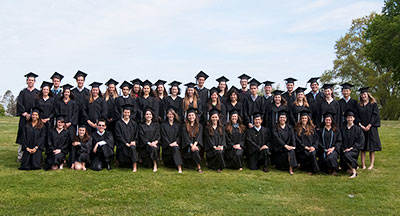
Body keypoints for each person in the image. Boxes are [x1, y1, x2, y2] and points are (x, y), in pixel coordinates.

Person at [16, 72, 40, 162]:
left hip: (34, 118)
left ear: (35, 81)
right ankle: (20, 156)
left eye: (32, 80)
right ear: (27, 81)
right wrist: (25, 114)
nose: (30, 82)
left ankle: (32, 155)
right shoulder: (22, 92)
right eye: (29, 80)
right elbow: (19, 104)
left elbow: (38, 105)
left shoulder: (37, 93)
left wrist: (33, 114)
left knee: (34, 135)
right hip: (24, 118)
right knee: (22, 135)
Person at [357, 87, 381, 170]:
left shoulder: (373, 104)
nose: (363, 96)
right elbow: (357, 116)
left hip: (371, 128)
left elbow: (375, 115)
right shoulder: (359, 105)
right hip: (362, 128)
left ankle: (371, 164)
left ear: (368, 95)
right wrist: (361, 126)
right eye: (362, 94)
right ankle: (363, 164)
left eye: (365, 94)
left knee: (371, 147)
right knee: (362, 147)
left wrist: (369, 125)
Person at [114, 104, 139, 172]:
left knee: (133, 148)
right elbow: (118, 135)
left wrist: (134, 141)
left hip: (131, 144)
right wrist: (125, 143)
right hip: (122, 145)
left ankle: (134, 165)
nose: (126, 114)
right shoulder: (118, 123)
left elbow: (136, 134)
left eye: (128, 112)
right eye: (125, 112)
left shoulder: (134, 123)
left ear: (130, 113)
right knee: (123, 163)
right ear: (123, 113)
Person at [272, 109, 297, 175]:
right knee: (289, 152)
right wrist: (285, 146)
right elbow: (277, 139)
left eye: (283, 117)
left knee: (291, 151)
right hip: (279, 149)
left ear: (286, 119)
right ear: (278, 118)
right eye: (280, 117)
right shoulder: (275, 127)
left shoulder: (289, 127)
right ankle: (291, 167)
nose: (282, 119)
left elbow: (293, 137)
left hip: (288, 148)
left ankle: (291, 169)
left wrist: (293, 146)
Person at [340, 110, 364, 178]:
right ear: (346, 118)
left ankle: (354, 172)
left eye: (351, 117)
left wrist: (351, 148)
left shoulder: (358, 129)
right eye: (348, 117)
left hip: (354, 150)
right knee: (344, 159)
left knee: (347, 155)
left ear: (354, 118)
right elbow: (340, 140)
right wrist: (344, 149)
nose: (350, 119)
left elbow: (360, 141)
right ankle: (353, 167)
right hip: (344, 149)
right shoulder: (343, 129)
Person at [294, 109, 319, 174]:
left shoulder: (312, 128)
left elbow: (316, 139)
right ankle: (313, 169)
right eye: (302, 118)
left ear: (308, 119)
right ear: (301, 119)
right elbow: (297, 140)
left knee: (312, 153)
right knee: (308, 154)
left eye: (305, 118)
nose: (304, 119)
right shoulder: (297, 128)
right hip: (302, 149)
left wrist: (313, 147)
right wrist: (305, 147)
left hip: (311, 147)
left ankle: (311, 170)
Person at [160, 106, 183, 173]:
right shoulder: (163, 125)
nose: (171, 115)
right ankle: (179, 167)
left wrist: (175, 142)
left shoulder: (178, 125)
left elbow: (179, 136)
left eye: (172, 114)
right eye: (169, 114)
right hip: (167, 148)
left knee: (175, 148)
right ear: (167, 115)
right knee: (175, 148)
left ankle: (179, 167)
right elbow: (163, 136)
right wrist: (169, 144)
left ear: (174, 115)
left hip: (176, 146)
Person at [181, 107, 203, 173]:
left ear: (195, 116)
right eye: (189, 115)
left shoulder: (199, 126)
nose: (191, 117)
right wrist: (191, 145)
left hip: (196, 144)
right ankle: (197, 164)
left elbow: (199, 137)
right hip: (187, 145)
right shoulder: (184, 126)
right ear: (187, 117)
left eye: (192, 115)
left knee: (196, 151)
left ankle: (199, 167)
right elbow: (185, 137)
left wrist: (194, 145)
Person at [138, 107, 160, 172]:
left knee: (153, 149)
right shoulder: (141, 125)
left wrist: (155, 142)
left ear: (152, 116)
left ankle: (155, 165)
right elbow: (141, 136)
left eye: (150, 114)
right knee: (147, 165)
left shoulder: (156, 124)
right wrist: (149, 143)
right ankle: (150, 162)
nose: (148, 116)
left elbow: (158, 135)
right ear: (144, 116)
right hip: (145, 146)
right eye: (147, 114)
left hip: (155, 145)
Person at [205, 108, 226, 172]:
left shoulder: (222, 127)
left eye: (216, 117)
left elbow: (223, 137)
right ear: (210, 118)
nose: (214, 119)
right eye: (213, 117)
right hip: (211, 148)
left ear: (218, 118)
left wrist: (222, 146)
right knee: (217, 152)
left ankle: (220, 167)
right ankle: (222, 166)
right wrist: (214, 146)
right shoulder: (207, 128)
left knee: (220, 152)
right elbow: (208, 139)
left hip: (220, 147)